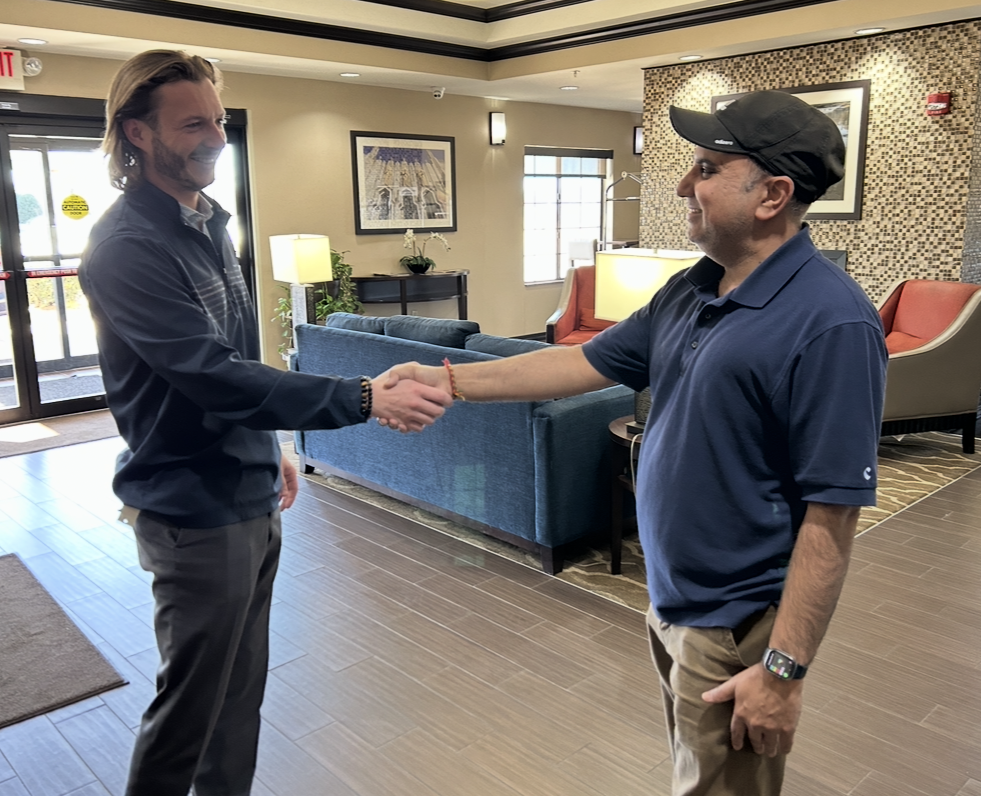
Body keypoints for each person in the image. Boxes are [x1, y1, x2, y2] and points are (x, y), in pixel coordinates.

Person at [385, 91, 887, 795]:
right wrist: (447, 379)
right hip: (671, 600)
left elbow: (830, 519)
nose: (683, 184)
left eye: (706, 169)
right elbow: (578, 362)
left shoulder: (832, 323)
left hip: (739, 623)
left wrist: (781, 673)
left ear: (773, 195)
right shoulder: (692, 288)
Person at [79, 50, 450, 796]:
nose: (214, 136)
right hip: (192, 511)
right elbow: (211, 376)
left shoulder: (209, 221)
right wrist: (363, 398)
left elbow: (236, 351)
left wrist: (273, 443)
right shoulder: (126, 249)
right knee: (190, 710)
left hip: (246, 489)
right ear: (137, 134)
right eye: (193, 123)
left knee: (239, 700)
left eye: (217, 120)